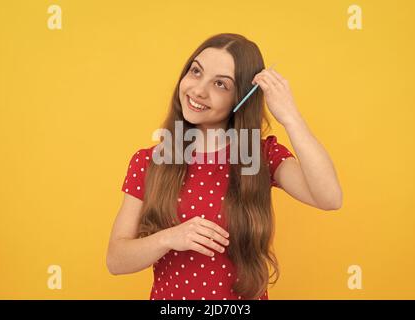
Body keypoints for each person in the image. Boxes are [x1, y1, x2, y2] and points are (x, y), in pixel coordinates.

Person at [106, 33, 343, 300]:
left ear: (240, 98)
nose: (198, 90)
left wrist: (291, 117)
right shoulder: (149, 161)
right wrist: (168, 238)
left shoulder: (261, 155)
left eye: (220, 84)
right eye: (196, 72)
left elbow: (330, 198)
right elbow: (116, 260)